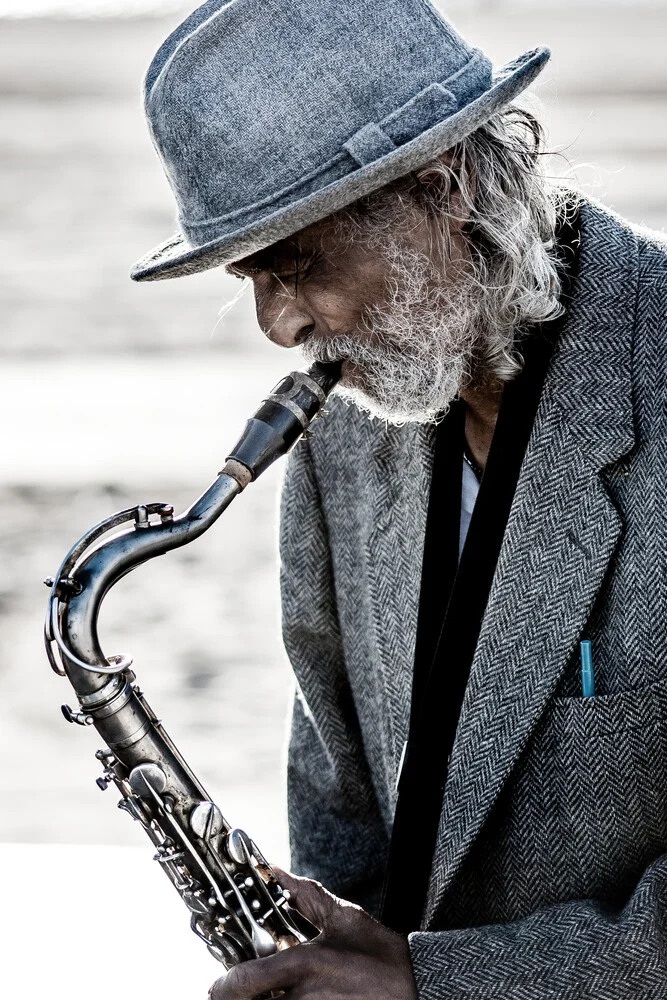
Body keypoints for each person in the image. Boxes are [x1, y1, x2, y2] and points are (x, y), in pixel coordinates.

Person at [131, 1, 667, 996]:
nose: (278, 327)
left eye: (294, 263)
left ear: (439, 185)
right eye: (251, 275)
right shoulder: (340, 429)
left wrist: (435, 982)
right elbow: (339, 801)